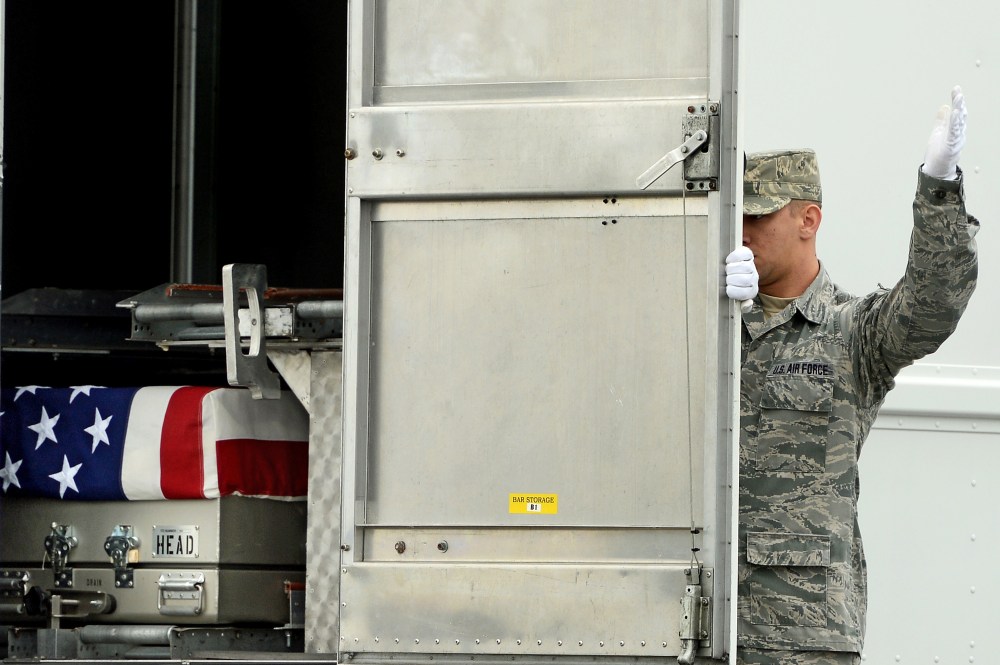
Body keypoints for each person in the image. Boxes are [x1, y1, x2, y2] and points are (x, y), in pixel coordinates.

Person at [723, 86, 979, 665]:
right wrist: (693, 295)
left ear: (808, 219)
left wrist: (938, 188)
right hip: (694, 627)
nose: (740, 233)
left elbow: (932, 304)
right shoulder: (708, 324)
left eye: (757, 218)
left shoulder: (850, 331)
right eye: (732, 217)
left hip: (801, 633)